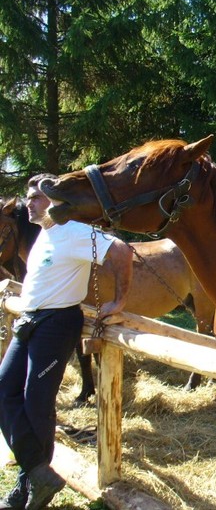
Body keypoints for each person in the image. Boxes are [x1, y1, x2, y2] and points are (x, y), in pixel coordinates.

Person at [0, 174, 133, 510]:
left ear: (56, 201)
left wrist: (119, 301)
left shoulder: (74, 231)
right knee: (3, 389)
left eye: (36, 197)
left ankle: (28, 486)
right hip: (29, 322)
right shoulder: (45, 234)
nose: (28, 203)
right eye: (29, 197)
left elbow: (121, 251)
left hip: (56, 325)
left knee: (36, 403)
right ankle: (39, 473)